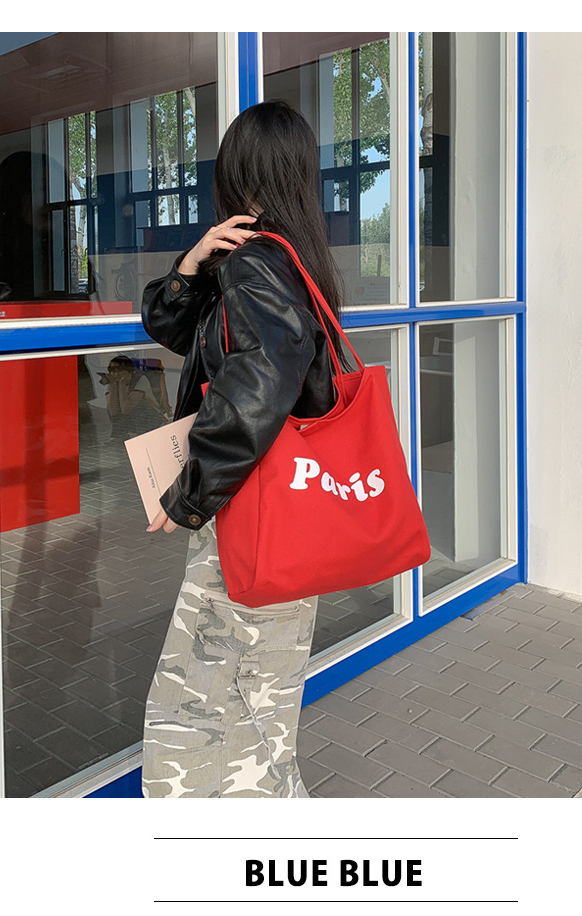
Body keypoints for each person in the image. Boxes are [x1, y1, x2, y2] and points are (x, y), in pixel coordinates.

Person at [140, 100, 346, 798]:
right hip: (286, 515)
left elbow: (259, 384)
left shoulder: (260, 265)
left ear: (236, 171)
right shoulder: (292, 260)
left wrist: (190, 493)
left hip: (249, 520)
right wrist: (194, 264)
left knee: (195, 725)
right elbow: (176, 328)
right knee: (260, 718)